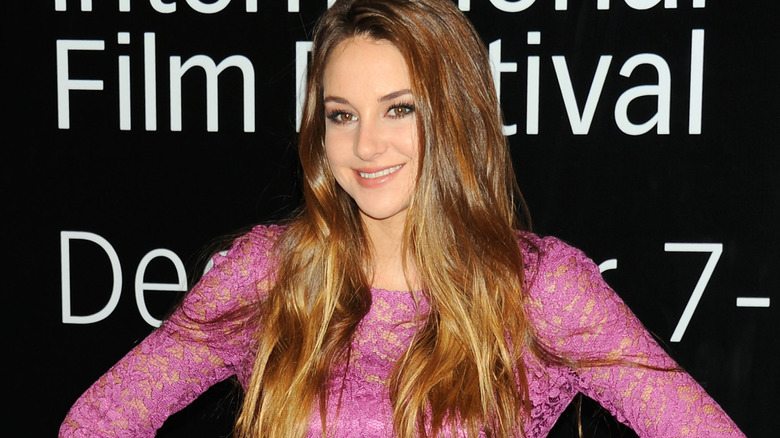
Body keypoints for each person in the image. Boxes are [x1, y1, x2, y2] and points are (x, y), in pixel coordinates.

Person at [59, 0, 746, 437]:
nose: (365, 146)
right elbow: (97, 419)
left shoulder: (539, 287)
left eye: (399, 109)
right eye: (341, 116)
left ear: (454, 115)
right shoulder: (273, 273)